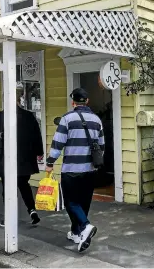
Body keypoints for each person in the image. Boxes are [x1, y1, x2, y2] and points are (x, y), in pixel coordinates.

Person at [45, 88, 104, 253]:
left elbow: (58, 144)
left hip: (71, 169)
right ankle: (76, 232)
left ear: (73, 102)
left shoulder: (67, 119)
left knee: (71, 202)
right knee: (84, 202)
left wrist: (50, 162)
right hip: (90, 170)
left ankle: (85, 226)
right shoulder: (97, 120)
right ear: (87, 101)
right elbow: (102, 146)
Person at [0, 87, 43, 227]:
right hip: (25, 159)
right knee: (24, 185)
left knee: (8, 188)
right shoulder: (29, 116)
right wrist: (39, 153)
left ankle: (8, 218)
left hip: (6, 159)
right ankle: (32, 210)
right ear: (19, 100)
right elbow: (37, 136)